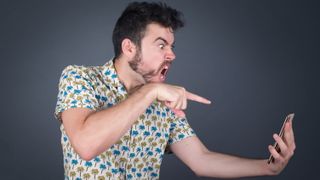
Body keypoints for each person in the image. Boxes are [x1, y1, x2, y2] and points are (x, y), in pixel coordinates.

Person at [55, 2, 296, 179]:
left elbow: (201, 160)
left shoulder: (164, 102)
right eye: (161, 45)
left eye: (171, 46)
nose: (172, 55)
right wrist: (148, 93)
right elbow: (86, 144)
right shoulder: (80, 78)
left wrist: (267, 167)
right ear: (129, 47)